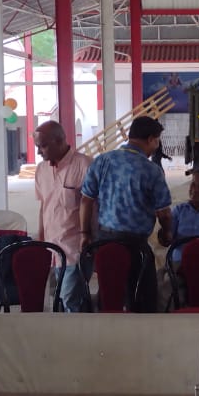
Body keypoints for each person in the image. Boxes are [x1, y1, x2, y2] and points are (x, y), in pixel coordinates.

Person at [79, 115, 173, 312]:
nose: (156, 146)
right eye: (157, 141)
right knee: (143, 302)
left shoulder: (102, 161)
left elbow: (86, 200)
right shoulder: (152, 170)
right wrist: (166, 233)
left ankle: (108, 329)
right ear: (151, 139)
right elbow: (164, 213)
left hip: (104, 243)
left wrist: (85, 234)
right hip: (136, 247)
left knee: (109, 296)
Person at [33, 120, 92, 312]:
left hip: (75, 250)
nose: (38, 152)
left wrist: (87, 237)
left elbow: (92, 206)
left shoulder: (84, 165)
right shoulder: (41, 170)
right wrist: (41, 240)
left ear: (59, 141)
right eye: (37, 147)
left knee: (71, 303)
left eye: (42, 146)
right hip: (52, 250)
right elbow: (44, 206)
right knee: (59, 303)